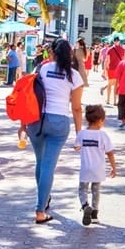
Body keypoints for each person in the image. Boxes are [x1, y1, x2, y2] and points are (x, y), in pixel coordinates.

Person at [19, 38, 83, 224]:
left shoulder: (43, 69)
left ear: (52, 53)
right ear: (69, 54)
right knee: (48, 165)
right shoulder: (74, 76)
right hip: (59, 122)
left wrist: (23, 124)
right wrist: (79, 134)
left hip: (36, 120)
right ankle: (40, 209)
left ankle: (44, 199)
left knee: (40, 162)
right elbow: (77, 108)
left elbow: (28, 96)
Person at [74, 104, 116, 226]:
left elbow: (76, 146)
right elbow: (110, 153)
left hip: (85, 168)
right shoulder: (103, 135)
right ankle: (94, 215)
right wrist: (114, 167)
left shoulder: (82, 133)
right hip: (98, 169)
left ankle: (85, 206)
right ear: (100, 121)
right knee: (96, 191)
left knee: (82, 190)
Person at [100, 37, 125, 105]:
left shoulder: (110, 49)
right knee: (117, 85)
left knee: (110, 84)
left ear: (113, 41)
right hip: (119, 69)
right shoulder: (122, 49)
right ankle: (115, 101)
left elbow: (107, 60)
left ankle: (108, 100)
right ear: (119, 41)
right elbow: (123, 60)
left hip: (111, 68)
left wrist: (104, 70)